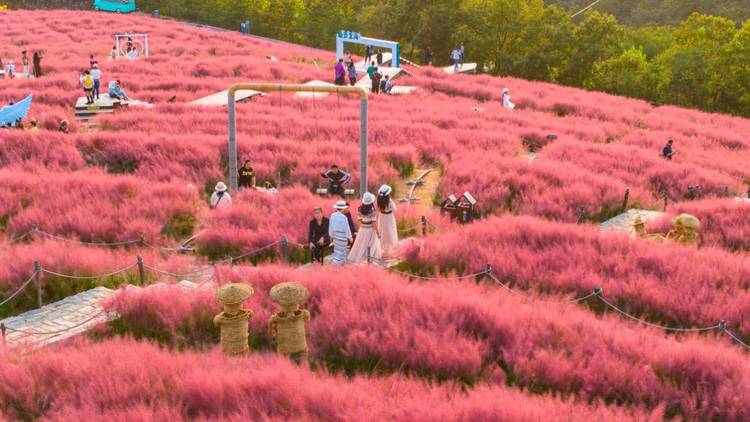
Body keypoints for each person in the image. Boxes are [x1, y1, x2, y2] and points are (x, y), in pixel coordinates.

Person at [348, 192, 381, 264]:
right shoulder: (372, 210)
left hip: (363, 228)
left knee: (361, 244)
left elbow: (359, 219)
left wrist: (361, 226)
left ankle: (362, 260)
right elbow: (374, 223)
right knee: (371, 244)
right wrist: (378, 232)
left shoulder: (360, 209)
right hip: (370, 229)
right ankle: (369, 259)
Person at [377, 185, 398, 256]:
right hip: (389, 217)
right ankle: (391, 248)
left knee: (382, 232)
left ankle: (382, 248)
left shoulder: (378, 200)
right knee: (390, 232)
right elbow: (394, 209)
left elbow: (378, 209)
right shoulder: (389, 201)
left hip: (382, 217)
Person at [329, 200, 353, 265]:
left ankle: (336, 263)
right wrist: (350, 237)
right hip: (343, 237)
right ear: (343, 208)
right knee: (343, 251)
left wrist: (331, 236)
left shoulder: (332, 215)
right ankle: (340, 265)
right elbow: (347, 228)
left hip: (336, 236)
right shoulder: (344, 217)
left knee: (336, 251)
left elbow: (330, 226)